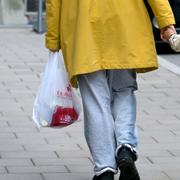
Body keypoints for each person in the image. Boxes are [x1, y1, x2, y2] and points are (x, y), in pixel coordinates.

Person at [45, 1, 177, 180]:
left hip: (83, 30)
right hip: (124, 26)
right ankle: (126, 147)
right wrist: (166, 23)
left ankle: (104, 169)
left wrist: (53, 39)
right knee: (123, 92)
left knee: (95, 102)